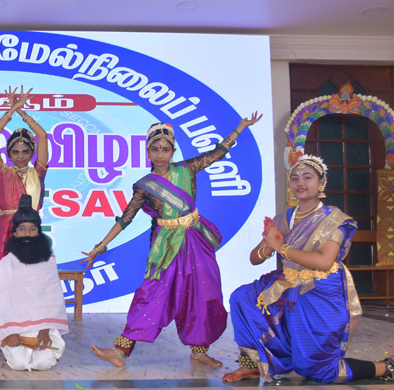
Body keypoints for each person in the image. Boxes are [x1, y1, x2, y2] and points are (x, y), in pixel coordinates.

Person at [83, 113, 263, 368]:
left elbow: (217, 153)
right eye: (155, 149)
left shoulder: (187, 169)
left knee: (202, 293)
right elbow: (125, 219)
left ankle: (199, 351)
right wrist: (100, 247)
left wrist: (240, 127)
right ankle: (120, 351)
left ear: (173, 151)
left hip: (195, 241)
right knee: (151, 294)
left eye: (165, 149)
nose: (160, 154)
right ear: (147, 152)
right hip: (166, 247)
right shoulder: (144, 186)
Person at [223, 154, 394, 383]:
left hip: (319, 289)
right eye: (294, 178)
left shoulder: (334, 219)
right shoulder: (284, 218)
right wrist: (267, 247)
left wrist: (281, 247)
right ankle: (251, 365)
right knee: (242, 297)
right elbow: (254, 259)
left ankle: (386, 367)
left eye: (307, 177)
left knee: (318, 370)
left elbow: (325, 262)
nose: (300, 183)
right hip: (287, 283)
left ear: (321, 183)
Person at [0, 195, 69, 370]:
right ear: (14, 233)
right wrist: (9, 332)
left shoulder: (49, 261)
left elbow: (53, 298)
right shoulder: (6, 263)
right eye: (22, 229)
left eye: (32, 229)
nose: (27, 234)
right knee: (18, 364)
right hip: (13, 326)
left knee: (43, 363)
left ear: (39, 232)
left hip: (44, 325)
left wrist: (45, 330)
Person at [0, 86, 49, 282]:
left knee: (30, 280)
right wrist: (12, 109)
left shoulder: (37, 172)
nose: (20, 156)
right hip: (3, 229)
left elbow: (43, 136)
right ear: (8, 153)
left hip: (30, 229)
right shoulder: (1, 171)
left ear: (32, 153)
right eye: (15, 152)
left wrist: (21, 111)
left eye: (25, 152)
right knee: (0, 282)